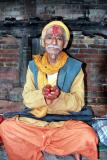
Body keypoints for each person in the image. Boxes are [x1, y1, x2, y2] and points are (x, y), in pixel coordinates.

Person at [0, 20, 98, 160]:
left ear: (64, 44)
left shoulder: (75, 68)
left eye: (59, 38)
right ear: (43, 42)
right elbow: (27, 98)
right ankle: (51, 148)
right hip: (35, 122)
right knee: (6, 128)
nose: (54, 41)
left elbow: (78, 103)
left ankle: (40, 145)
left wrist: (58, 97)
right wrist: (43, 97)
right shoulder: (33, 66)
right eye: (49, 37)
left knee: (88, 136)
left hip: (63, 123)